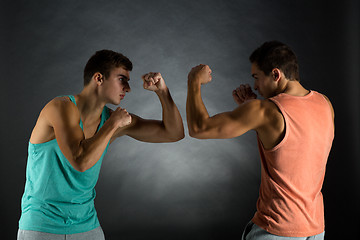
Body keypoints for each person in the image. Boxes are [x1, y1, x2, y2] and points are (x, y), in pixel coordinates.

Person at [18, 49, 184, 240]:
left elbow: (174, 133)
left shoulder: (112, 119)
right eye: (122, 79)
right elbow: (80, 161)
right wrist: (112, 124)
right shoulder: (60, 107)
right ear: (98, 78)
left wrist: (163, 92)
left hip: (87, 226)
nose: (128, 88)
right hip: (42, 226)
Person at [186, 41, 334, 240]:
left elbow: (199, 128)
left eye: (256, 77)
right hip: (315, 230)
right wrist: (251, 109)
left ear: (275, 74)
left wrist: (194, 80)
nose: (255, 85)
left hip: (276, 230)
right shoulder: (325, 104)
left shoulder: (265, 111)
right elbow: (297, 148)